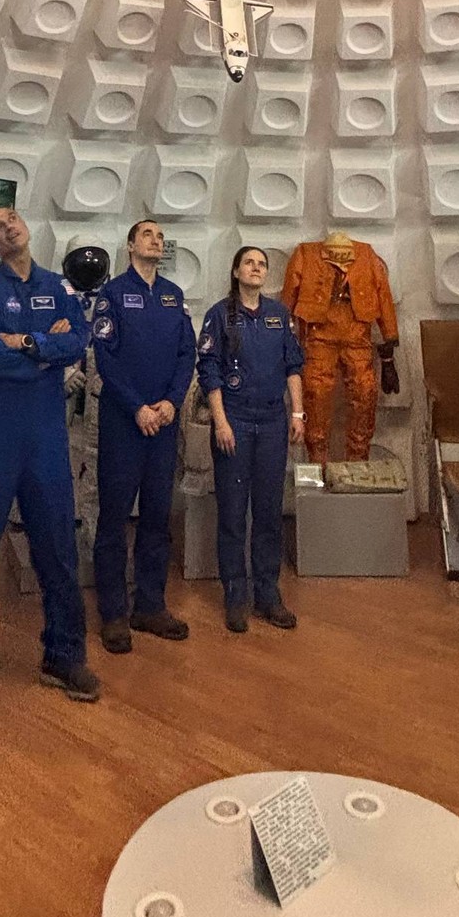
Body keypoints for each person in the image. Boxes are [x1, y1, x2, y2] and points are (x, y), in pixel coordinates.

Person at [0, 207, 100, 717]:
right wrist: (47, 352)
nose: (7, 226)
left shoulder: (58, 286)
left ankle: (64, 655)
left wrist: (28, 341)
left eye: (12, 219)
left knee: (58, 547)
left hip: (45, 435)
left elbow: (78, 342)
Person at [91, 220, 197, 654]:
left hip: (164, 425)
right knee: (114, 519)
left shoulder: (173, 295)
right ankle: (114, 613)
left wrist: (172, 401)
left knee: (157, 518)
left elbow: (187, 352)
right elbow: (106, 359)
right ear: (131, 245)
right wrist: (137, 407)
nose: (156, 240)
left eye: (160, 237)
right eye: (148, 235)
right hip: (124, 423)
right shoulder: (112, 295)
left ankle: (150, 606)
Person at [198, 247, 305, 633]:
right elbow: (209, 371)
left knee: (268, 513)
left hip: (273, 422)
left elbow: (293, 365)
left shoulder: (279, 315)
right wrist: (221, 423)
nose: (256, 268)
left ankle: (268, 595)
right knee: (232, 514)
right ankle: (235, 595)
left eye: (262, 264)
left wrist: (298, 413)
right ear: (236, 271)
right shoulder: (219, 315)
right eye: (249, 263)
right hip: (235, 422)